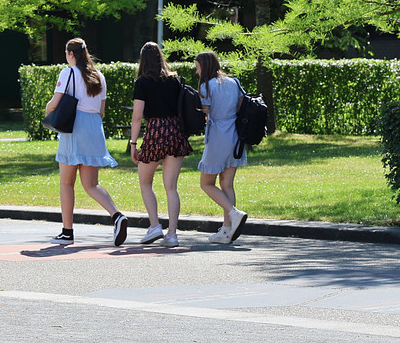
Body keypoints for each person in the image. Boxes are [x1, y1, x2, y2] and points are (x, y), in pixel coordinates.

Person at [45, 38, 128, 245]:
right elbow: (101, 112)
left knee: (66, 182)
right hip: (94, 128)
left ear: (71, 54)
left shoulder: (67, 73)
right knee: (91, 184)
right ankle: (117, 215)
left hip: (75, 126)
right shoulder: (99, 76)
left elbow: (54, 104)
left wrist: (47, 115)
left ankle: (67, 232)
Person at [127, 42, 194, 247]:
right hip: (175, 132)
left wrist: (133, 143)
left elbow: (137, 117)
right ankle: (172, 234)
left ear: (142, 60)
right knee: (171, 187)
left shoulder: (142, 83)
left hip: (155, 132)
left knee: (145, 181)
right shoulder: (174, 80)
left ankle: (155, 225)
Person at [194, 51, 250, 244]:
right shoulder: (234, 83)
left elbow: (205, 112)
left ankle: (234, 214)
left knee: (206, 183)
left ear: (205, 66)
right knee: (227, 184)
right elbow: (241, 107)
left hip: (218, 135)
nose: (196, 71)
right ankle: (227, 231)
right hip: (235, 135)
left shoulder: (205, 86)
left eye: (197, 67)